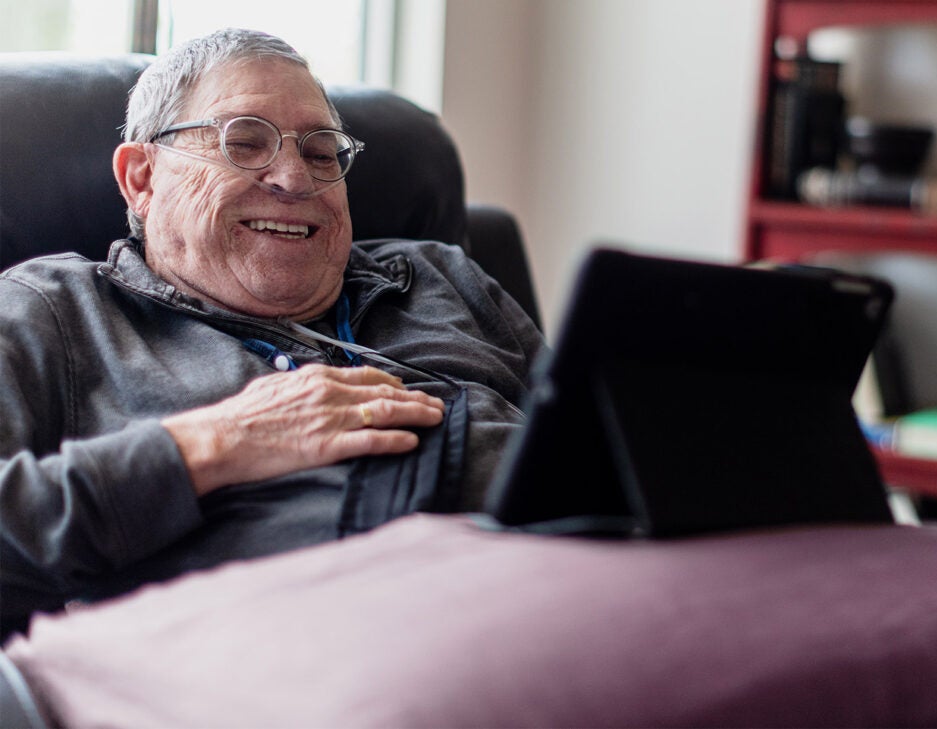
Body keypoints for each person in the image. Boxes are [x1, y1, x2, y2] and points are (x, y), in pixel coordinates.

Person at [0, 29, 546, 638]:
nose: (294, 178)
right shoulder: (55, 314)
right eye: (245, 143)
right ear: (142, 179)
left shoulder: (441, 278)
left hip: (572, 595)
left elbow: (602, 446)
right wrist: (214, 442)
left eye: (320, 154)